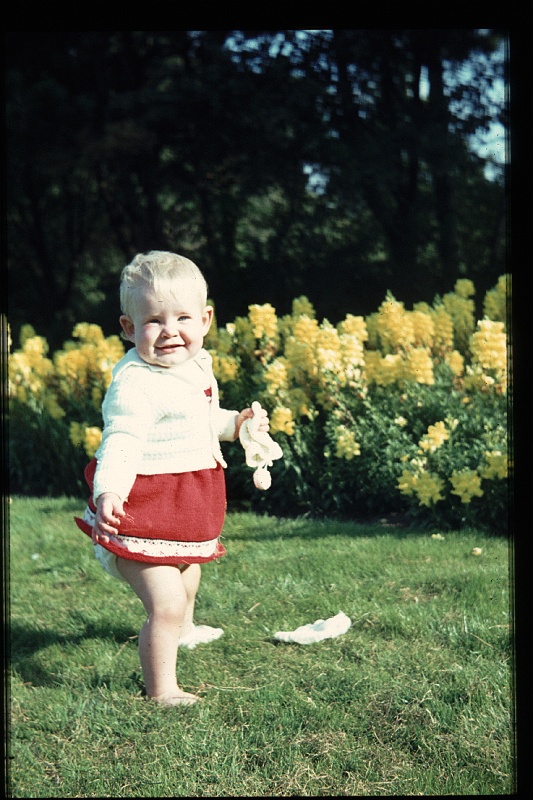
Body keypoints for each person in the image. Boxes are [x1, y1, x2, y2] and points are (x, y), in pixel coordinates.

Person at [75, 250, 269, 706]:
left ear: (205, 320)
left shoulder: (197, 365)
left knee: (189, 575)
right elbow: (121, 440)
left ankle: (184, 630)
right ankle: (162, 690)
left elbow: (200, 418)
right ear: (128, 329)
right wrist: (109, 492)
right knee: (165, 601)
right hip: (139, 510)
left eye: (182, 317)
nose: (170, 332)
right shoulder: (135, 384)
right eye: (153, 321)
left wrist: (236, 425)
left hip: (182, 505)